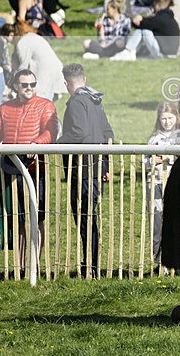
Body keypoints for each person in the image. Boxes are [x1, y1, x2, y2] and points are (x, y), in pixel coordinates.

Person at [0, 69, 60, 273]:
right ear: (16, 86)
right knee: (17, 218)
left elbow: (51, 131)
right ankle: (19, 266)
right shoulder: (5, 108)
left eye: (32, 85)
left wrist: (37, 143)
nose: (29, 88)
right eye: (25, 85)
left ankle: (33, 263)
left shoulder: (45, 105)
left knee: (37, 216)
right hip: (9, 168)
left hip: (35, 169)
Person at [58, 63, 114, 278]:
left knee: (84, 218)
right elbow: (108, 133)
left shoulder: (75, 102)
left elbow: (79, 134)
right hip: (96, 166)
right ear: (84, 77)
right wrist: (105, 165)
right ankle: (91, 263)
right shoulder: (95, 99)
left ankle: (90, 265)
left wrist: (57, 143)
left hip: (81, 169)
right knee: (89, 217)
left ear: (66, 83)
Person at [145, 103, 180, 268]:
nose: (167, 122)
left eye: (170, 118)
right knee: (157, 222)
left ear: (176, 117)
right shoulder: (154, 139)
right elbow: (144, 161)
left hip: (174, 184)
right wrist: (151, 161)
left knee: (176, 222)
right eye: (164, 118)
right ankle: (159, 261)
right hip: (156, 183)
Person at [111, 0, 180, 61]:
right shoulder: (168, 18)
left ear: (158, 5)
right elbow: (149, 23)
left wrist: (138, 20)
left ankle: (128, 51)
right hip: (170, 53)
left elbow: (143, 24)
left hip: (163, 55)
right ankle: (130, 51)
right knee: (145, 30)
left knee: (144, 31)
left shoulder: (160, 18)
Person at [11, 27, 67, 101]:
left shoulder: (22, 43)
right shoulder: (32, 37)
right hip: (56, 69)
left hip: (45, 73)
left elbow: (23, 66)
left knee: (41, 102)